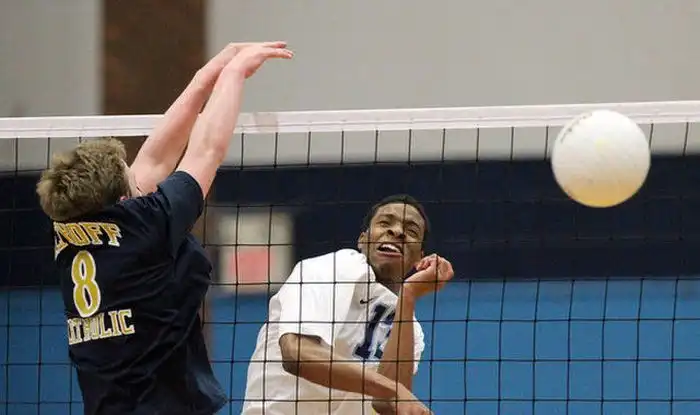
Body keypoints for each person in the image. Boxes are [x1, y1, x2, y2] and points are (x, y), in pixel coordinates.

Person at [36, 42, 292, 415]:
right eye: (130, 176)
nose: (138, 174)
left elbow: (155, 159)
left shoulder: (67, 230)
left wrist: (206, 77)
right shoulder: (147, 224)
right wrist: (235, 74)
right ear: (122, 198)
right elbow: (206, 149)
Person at [242, 195, 455, 415]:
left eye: (411, 231)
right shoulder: (333, 268)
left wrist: (408, 295)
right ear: (363, 239)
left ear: (419, 257)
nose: (397, 231)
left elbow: (390, 405)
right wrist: (393, 390)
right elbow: (297, 353)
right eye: (385, 223)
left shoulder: (412, 330)